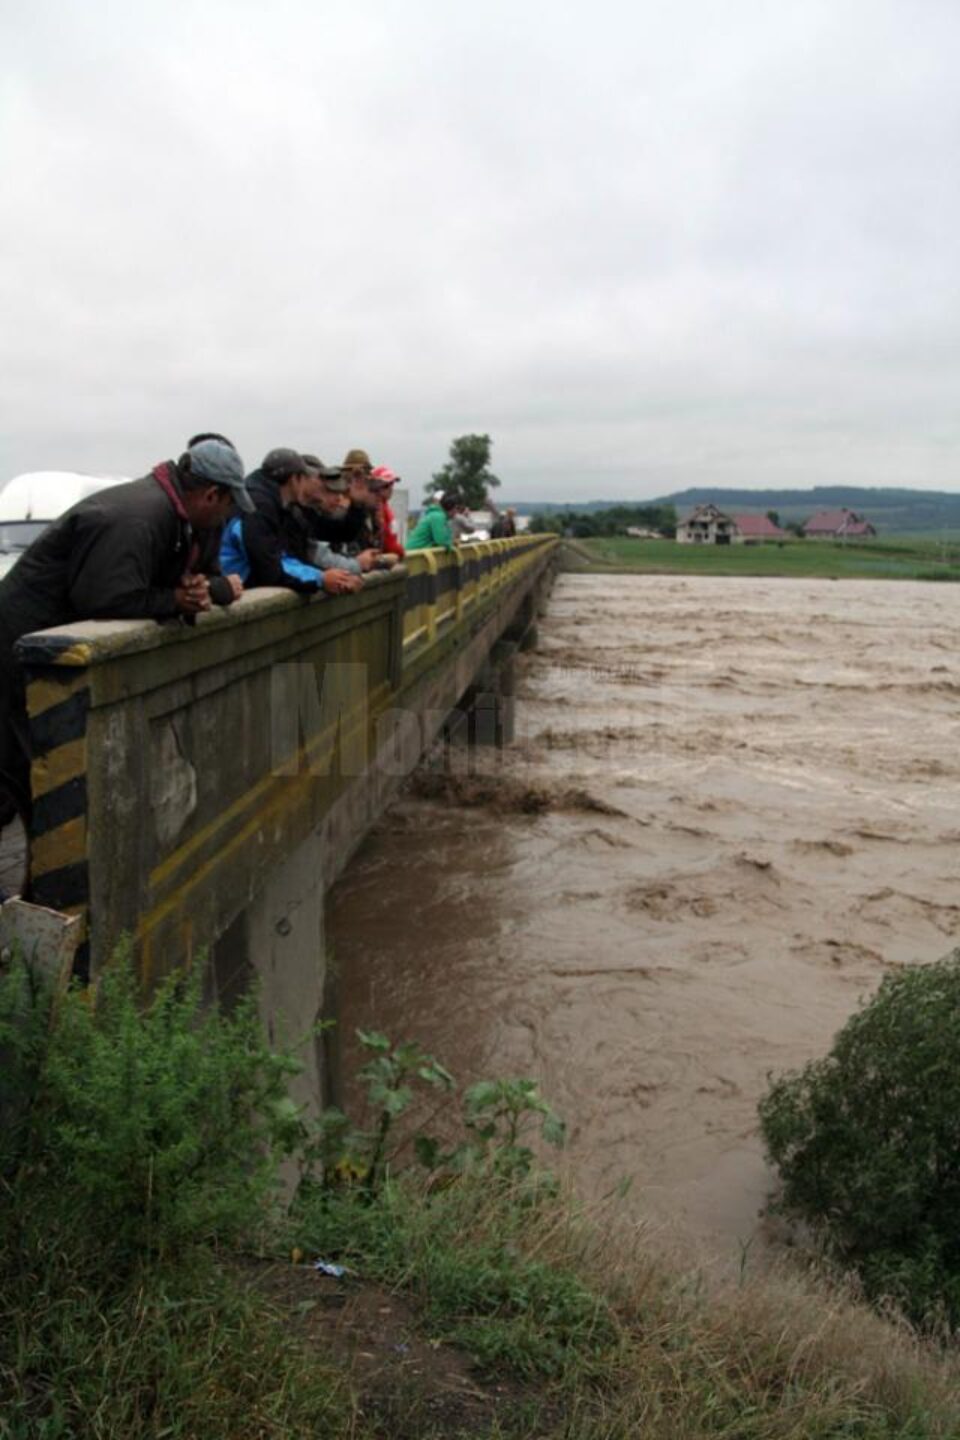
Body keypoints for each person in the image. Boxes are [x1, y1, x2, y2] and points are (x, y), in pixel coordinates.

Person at [0, 437, 254, 825]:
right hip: (16, 648)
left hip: (36, 646)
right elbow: (106, 598)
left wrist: (199, 590)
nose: (227, 516)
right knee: (20, 771)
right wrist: (174, 600)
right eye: (228, 505)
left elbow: (196, 575)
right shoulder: (137, 518)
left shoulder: (176, 517)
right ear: (210, 494)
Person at [235, 448, 362, 595]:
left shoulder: (271, 503)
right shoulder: (262, 506)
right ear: (295, 479)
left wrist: (323, 576)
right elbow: (269, 569)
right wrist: (320, 578)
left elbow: (281, 558)